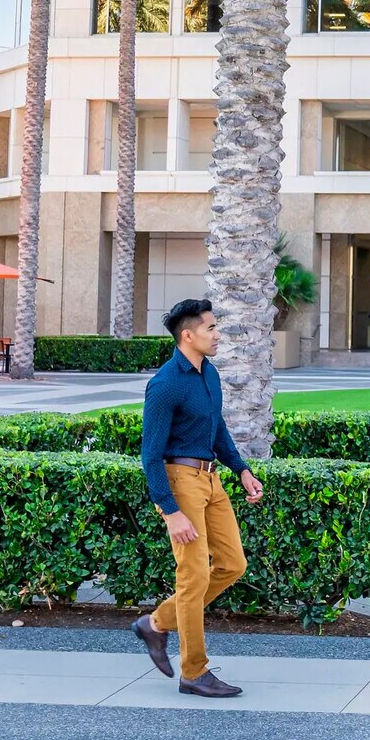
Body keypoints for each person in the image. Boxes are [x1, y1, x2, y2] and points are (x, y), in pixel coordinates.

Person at [130, 299, 263, 700]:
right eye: (211, 328)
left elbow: (216, 426)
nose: (217, 333)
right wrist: (170, 511)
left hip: (211, 480)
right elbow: (150, 455)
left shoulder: (210, 374)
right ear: (188, 335)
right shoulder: (166, 383)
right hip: (180, 481)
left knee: (232, 564)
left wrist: (241, 469)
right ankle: (194, 671)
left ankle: (155, 623)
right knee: (194, 577)